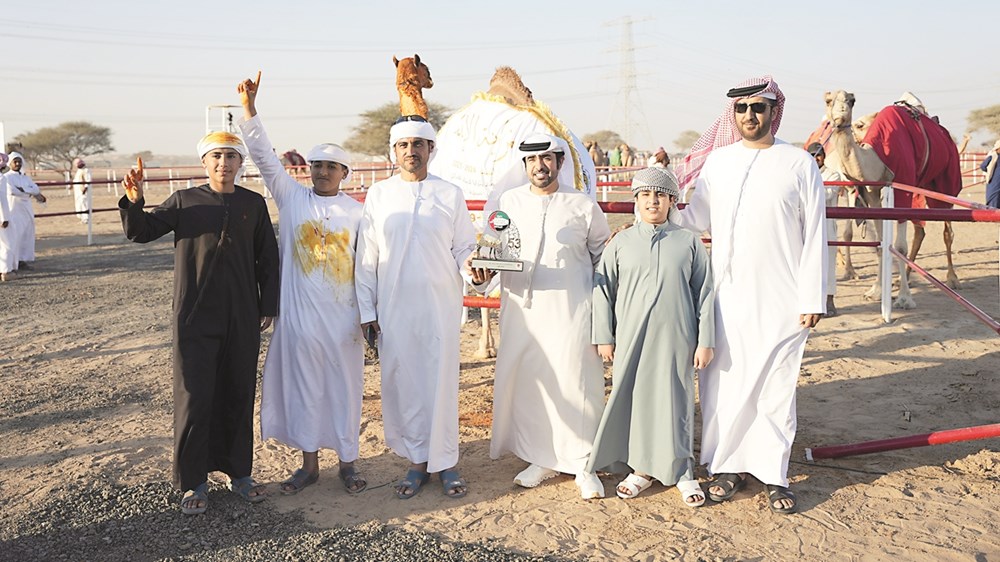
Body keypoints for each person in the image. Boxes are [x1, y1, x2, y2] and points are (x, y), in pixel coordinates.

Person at [673, 76, 826, 515]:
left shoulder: (799, 164)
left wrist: (812, 296)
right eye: (741, 109)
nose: (749, 116)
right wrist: (654, 222)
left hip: (784, 297)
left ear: (773, 112)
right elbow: (694, 219)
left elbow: (816, 231)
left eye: (758, 108)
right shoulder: (717, 164)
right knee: (722, 384)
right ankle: (727, 468)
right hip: (725, 296)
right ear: (732, 115)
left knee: (776, 387)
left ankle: (773, 474)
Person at [118, 133, 280, 516]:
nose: (224, 163)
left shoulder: (253, 204)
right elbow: (141, 232)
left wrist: (268, 304)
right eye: (216, 156)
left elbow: (267, 259)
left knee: (238, 392)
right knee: (194, 395)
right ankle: (193, 482)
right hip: (194, 315)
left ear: (240, 163)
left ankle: (240, 474)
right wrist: (135, 202)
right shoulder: (184, 201)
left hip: (242, 314)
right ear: (204, 163)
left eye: (230, 156)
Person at [236, 72, 367, 496]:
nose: (323, 172)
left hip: (344, 322)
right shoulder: (293, 198)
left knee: (346, 392)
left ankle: (348, 464)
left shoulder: (358, 213)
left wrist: (370, 316)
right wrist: (250, 110)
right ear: (308, 169)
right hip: (299, 322)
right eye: (317, 165)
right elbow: (263, 158)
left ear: (345, 172)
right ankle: (309, 466)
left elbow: (369, 268)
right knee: (307, 391)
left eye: (331, 166)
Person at [468, 132, 612, 499]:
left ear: (560, 163)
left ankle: (583, 463)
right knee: (533, 384)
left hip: (571, 311)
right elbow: (495, 254)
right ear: (525, 166)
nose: (540, 166)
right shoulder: (509, 204)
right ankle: (542, 457)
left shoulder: (582, 205)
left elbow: (602, 258)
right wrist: (481, 275)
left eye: (547, 159)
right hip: (523, 312)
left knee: (576, 383)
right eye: (533, 161)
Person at [354, 114, 477, 499]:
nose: (411, 151)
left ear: (431, 150)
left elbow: (463, 247)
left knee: (440, 384)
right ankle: (417, 463)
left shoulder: (449, 193)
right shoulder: (380, 194)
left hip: (439, 306)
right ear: (394, 151)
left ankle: (447, 463)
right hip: (393, 308)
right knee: (405, 385)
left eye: (418, 145)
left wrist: (472, 266)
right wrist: (366, 311)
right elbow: (367, 257)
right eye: (404, 145)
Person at [586, 167, 714, 506]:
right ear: (636, 200)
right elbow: (603, 292)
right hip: (631, 337)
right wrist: (604, 336)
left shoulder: (688, 241)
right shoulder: (621, 243)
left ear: (672, 200)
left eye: (660, 194)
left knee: (677, 404)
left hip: (678, 337)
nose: (652, 200)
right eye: (645, 194)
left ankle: (683, 472)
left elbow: (705, 292)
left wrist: (705, 341)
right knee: (639, 401)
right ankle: (641, 470)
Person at [807, 142, 844, 316]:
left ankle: (829, 301)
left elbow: (826, 194)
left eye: (819, 154)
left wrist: (806, 190)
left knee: (828, 264)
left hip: (826, 226)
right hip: (806, 225)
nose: (816, 158)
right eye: (813, 155)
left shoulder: (833, 175)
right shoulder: (804, 172)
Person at [3, 152, 46, 270]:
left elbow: (36, 188)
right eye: (15, 161)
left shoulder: (25, 177)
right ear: (9, 163)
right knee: (15, 235)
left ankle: (22, 260)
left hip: (26, 210)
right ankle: (13, 262)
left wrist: (25, 190)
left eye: (19, 161)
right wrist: (29, 191)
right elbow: (12, 191)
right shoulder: (6, 177)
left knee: (26, 234)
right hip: (14, 210)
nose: (17, 163)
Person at [0, 154, 12, 282]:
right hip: (0, 217)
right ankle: (5, 272)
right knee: (5, 244)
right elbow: (2, 199)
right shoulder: (1, 178)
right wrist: (4, 218)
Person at [980, 139, 1000, 208]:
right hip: (994, 182)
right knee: (993, 202)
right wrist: (988, 171)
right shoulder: (993, 156)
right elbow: (983, 166)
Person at [73, 158, 92, 225]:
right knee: (79, 204)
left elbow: (88, 180)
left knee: (84, 204)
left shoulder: (86, 170)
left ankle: (86, 219)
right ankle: (81, 218)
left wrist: (85, 188)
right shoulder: (79, 171)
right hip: (78, 191)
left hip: (83, 191)